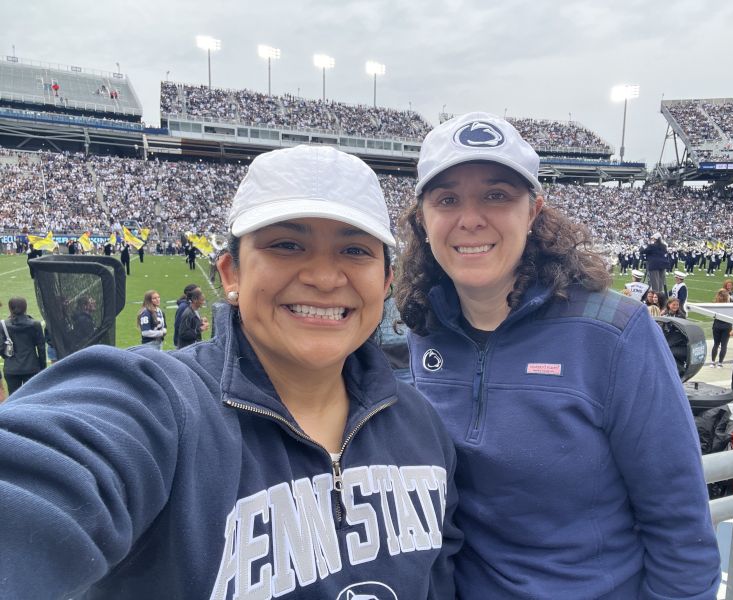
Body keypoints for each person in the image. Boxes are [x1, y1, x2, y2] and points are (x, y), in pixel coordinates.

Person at [0, 145, 460, 598]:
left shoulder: (423, 428)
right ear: (230, 274)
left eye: (355, 250)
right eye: (286, 245)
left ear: (385, 283)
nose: (324, 277)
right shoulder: (159, 405)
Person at [395, 112, 719, 599]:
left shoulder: (614, 334)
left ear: (534, 211)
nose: (470, 218)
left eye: (497, 195)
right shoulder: (418, 328)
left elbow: (680, 528)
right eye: (447, 199)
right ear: (424, 221)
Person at [0, 297, 47, 395]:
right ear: (25, 308)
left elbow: (1, 348)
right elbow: (41, 349)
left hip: (11, 369)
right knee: (31, 399)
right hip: (32, 368)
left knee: (14, 399)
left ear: (10, 308)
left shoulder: (3, 325)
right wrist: (42, 367)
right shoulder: (35, 324)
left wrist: (9, 358)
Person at [709, 289, 733, 369]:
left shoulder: (715, 304)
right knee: (724, 345)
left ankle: (712, 362)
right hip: (727, 326)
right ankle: (720, 363)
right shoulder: (729, 305)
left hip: (717, 325)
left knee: (716, 344)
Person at [173, 283, 199, 348]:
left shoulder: (193, 305)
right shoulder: (183, 307)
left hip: (191, 342)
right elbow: (179, 326)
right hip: (185, 345)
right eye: (199, 293)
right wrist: (198, 330)